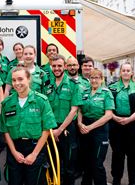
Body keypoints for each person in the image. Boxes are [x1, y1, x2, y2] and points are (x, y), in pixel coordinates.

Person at [0, 67, 57, 185]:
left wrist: (34, 154)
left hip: (35, 148)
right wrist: (14, 152)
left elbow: (46, 130)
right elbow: (5, 131)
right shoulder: (7, 103)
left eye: (20, 79)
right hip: (15, 149)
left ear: (29, 79)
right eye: (14, 80)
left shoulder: (41, 101)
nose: (17, 83)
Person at [44, 55, 81, 185]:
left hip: (67, 129)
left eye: (59, 65)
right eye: (54, 66)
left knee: (69, 166)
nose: (57, 68)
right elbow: (46, 110)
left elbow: (74, 110)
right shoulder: (47, 86)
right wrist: (52, 130)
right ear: (51, 67)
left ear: (65, 66)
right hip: (51, 129)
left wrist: (59, 130)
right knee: (53, 164)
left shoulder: (73, 85)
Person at [108, 62, 135, 185]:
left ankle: (133, 181)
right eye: (123, 70)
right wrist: (114, 117)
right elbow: (107, 106)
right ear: (120, 72)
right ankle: (116, 179)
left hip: (134, 125)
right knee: (117, 154)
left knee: (134, 155)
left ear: (132, 72)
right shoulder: (111, 87)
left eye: (128, 70)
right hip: (116, 125)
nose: (126, 72)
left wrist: (129, 120)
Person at [77, 68, 114, 185]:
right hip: (84, 128)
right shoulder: (85, 92)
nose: (93, 80)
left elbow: (108, 115)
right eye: (91, 77)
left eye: (96, 77)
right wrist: (79, 123)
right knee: (86, 162)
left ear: (101, 79)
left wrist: (90, 127)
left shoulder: (106, 93)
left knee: (97, 163)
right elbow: (79, 110)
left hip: (99, 130)